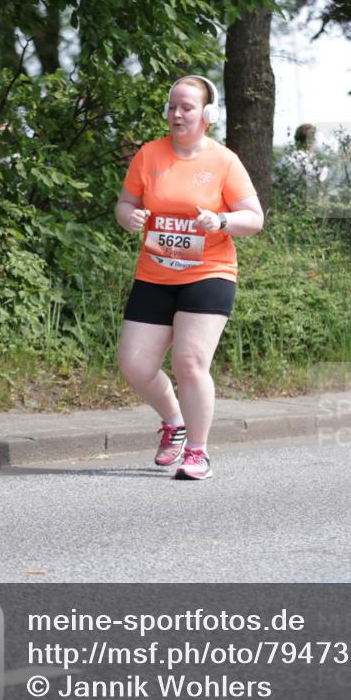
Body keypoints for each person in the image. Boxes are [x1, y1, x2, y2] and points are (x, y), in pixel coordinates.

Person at [115, 74, 264, 480]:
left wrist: (220, 220)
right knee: (134, 363)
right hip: (155, 273)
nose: (177, 114)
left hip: (209, 273)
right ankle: (174, 422)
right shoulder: (149, 155)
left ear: (207, 115)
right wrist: (130, 216)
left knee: (190, 359)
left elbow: (254, 219)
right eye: (172, 107)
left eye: (187, 108)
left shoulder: (223, 161)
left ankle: (197, 452)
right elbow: (125, 203)